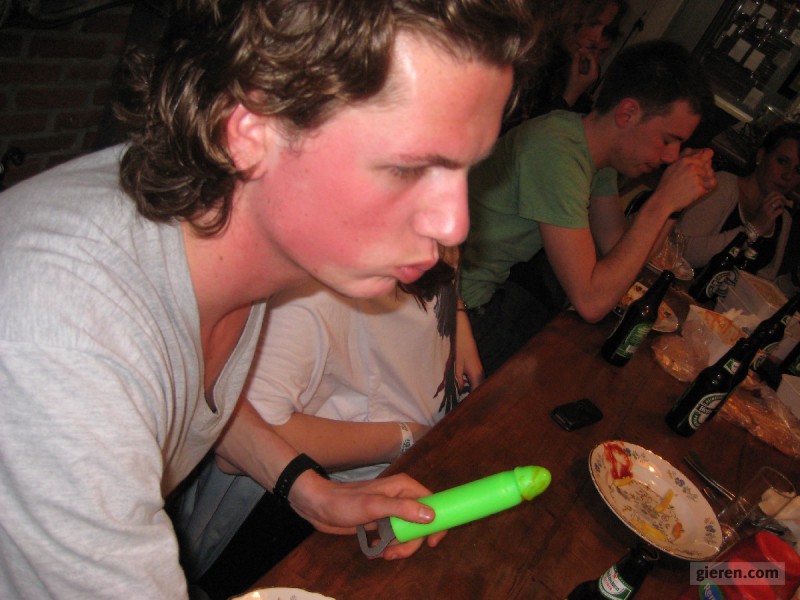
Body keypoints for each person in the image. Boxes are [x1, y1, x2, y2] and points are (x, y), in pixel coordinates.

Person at [0, 1, 540, 597]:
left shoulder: (227, 234)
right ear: (249, 130)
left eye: (465, 171)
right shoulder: (63, 341)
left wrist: (311, 492)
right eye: (409, 167)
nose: (456, 224)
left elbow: (188, 396)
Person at [173, 247, 483, 598]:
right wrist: (407, 436)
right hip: (298, 507)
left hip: (366, 482)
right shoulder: (304, 296)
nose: (451, 230)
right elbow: (238, 431)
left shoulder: (426, 245)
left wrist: (456, 313)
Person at [459, 40, 717, 375]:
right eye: (668, 140)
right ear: (627, 113)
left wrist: (676, 205)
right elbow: (592, 302)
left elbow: (621, 251)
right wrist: (662, 202)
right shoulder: (557, 153)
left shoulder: (591, 150)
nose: (671, 156)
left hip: (483, 295)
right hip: (456, 305)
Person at [679, 124, 800, 280]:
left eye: (798, 170)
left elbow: (765, 279)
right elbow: (683, 253)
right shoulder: (722, 185)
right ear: (761, 156)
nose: (787, 176)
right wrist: (752, 231)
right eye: (782, 161)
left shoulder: (783, 219)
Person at [502, 0, 625, 134]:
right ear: (570, 14)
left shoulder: (563, 63)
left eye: (604, 28)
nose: (597, 37)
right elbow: (524, 136)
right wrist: (571, 94)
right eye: (593, 23)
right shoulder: (522, 48)